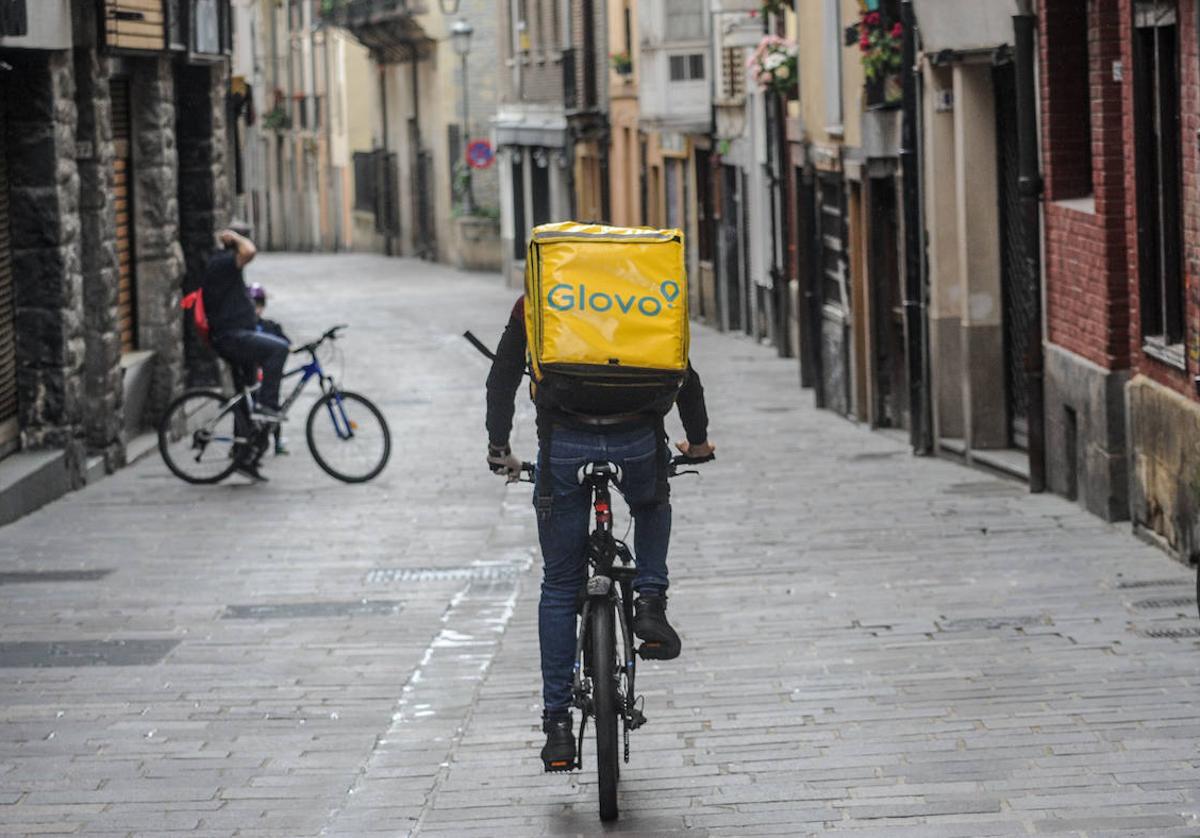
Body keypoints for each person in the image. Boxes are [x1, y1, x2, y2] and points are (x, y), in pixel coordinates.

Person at [485, 296, 715, 772]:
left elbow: (503, 379)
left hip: (564, 439)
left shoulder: (536, 297)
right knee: (650, 502)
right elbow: (681, 370)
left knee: (559, 585)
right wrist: (697, 438)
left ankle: (557, 727)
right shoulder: (640, 288)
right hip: (636, 434)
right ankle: (649, 602)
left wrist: (499, 447)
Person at [203, 225, 289, 481]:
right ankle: (268, 406)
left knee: (247, 395)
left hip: (237, 336)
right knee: (278, 350)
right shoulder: (224, 263)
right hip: (232, 337)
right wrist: (238, 239)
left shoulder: (226, 266)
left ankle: (246, 455)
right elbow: (250, 251)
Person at [250, 283, 291, 456]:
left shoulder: (271, 326)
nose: (256, 309)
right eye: (253, 305)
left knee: (272, 404)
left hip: (268, 372)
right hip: (251, 371)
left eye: (259, 305)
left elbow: (286, 343)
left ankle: (277, 441)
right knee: (250, 407)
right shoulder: (245, 329)